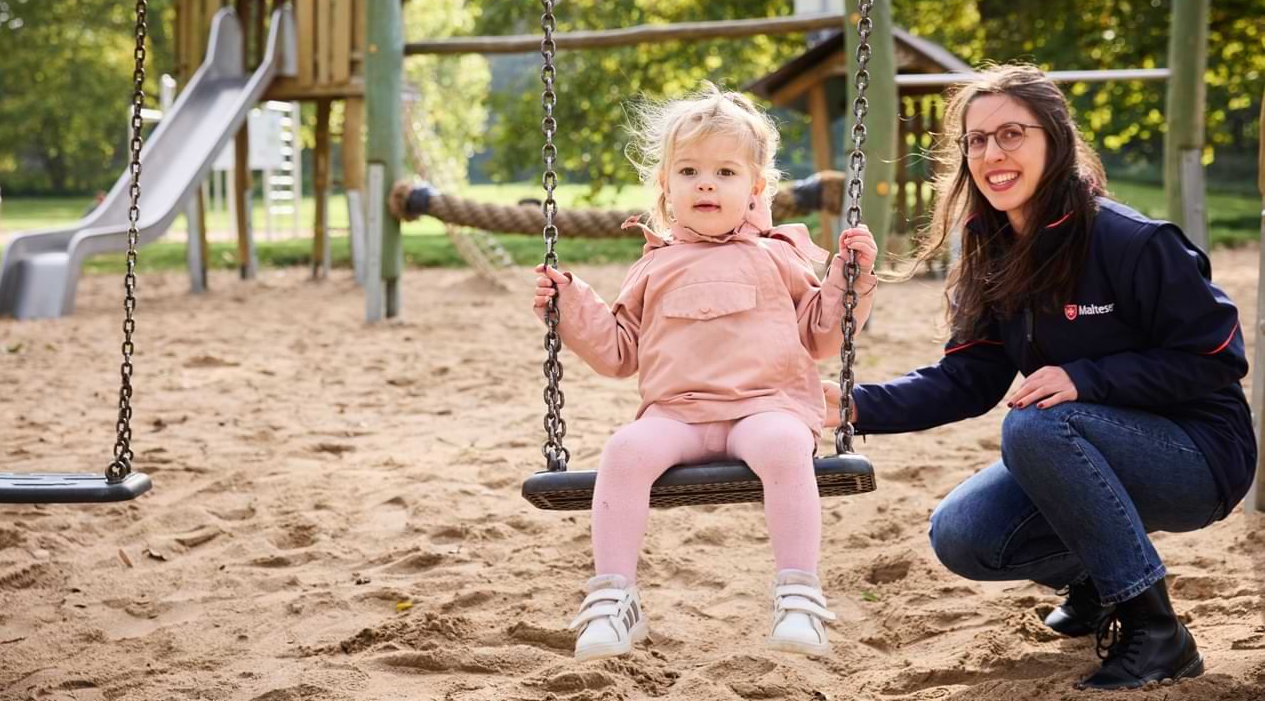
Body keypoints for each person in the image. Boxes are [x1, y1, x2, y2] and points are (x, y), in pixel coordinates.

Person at [836, 64, 1253, 691]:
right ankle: (1097, 584)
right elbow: (970, 378)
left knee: (1035, 426)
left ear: (1054, 141)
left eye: (1011, 134)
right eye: (976, 140)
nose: (991, 154)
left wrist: (1088, 379)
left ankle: (1157, 630)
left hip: (1198, 455)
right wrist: (852, 405)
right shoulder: (992, 248)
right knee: (965, 535)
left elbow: (1217, 356)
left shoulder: (1131, 241)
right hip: (1087, 442)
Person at [532, 82, 878, 661]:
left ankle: (798, 595)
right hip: (678, 415)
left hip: (765, 406)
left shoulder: (778, 255)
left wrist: (850, 277)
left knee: (783, 446)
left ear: (756, 188)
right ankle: (613, 597)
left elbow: (823, 335)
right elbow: (619, 353)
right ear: (666, 187)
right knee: (625, 450)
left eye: (725, 172)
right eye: (689, 171)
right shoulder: (655, 266)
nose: (706, 184)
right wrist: (569, 304)